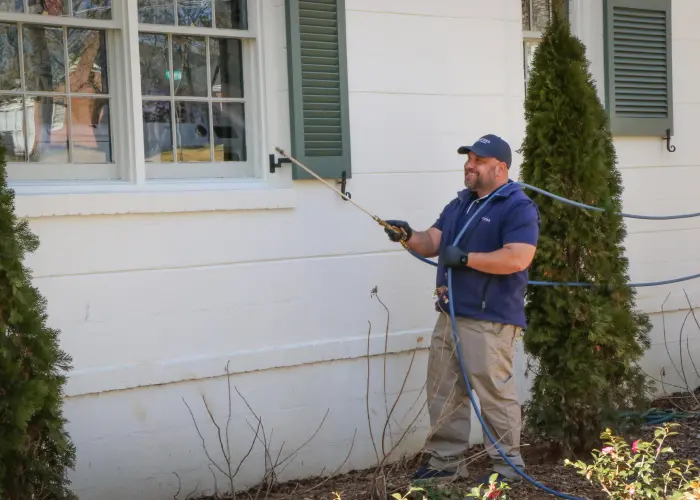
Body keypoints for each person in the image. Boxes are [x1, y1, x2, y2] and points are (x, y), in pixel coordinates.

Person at [383, 134, 540, 486]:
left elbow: (518, 257)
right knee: (443, 391)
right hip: (450, 315)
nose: (470, 165)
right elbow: (433, 242)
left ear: (500, 168)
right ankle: (446, 463)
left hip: (490, 320)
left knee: (494, 395)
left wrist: (467, 259)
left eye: (479, 160)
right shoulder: (460, 204)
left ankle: (507, 468)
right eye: (468, 158)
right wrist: (408, 235)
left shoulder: (516, 206)